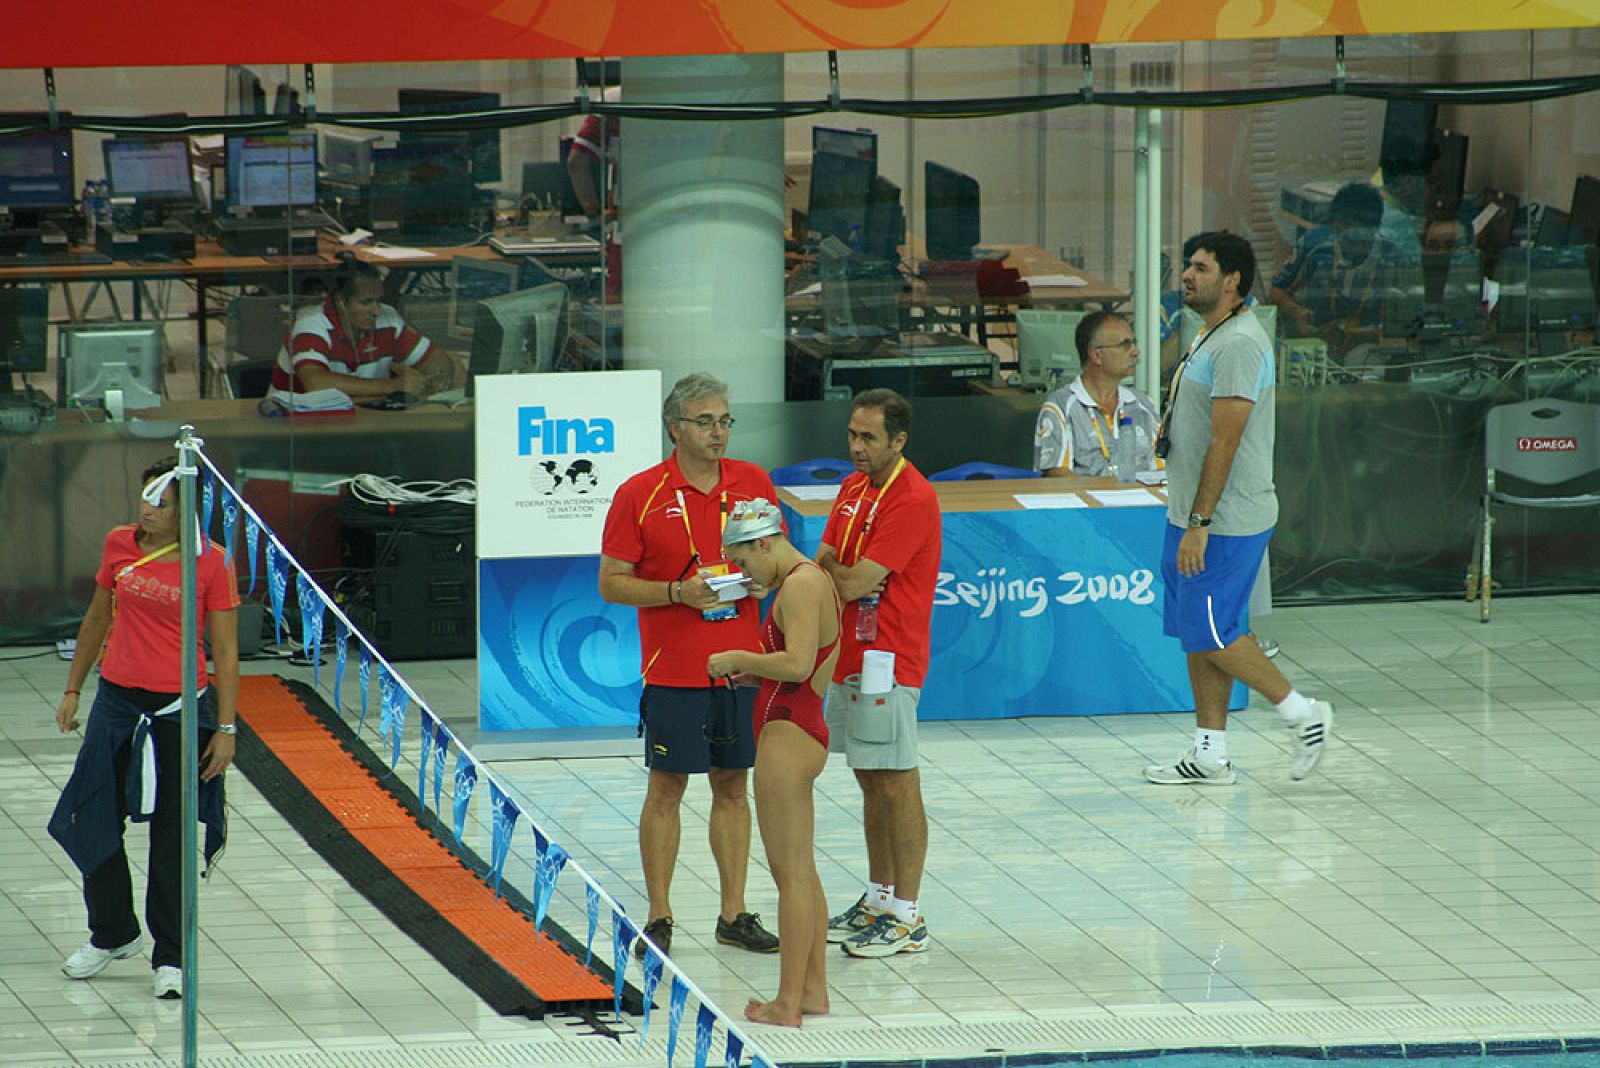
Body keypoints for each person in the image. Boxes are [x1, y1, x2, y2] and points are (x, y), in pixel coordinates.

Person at [598, 372, 780, 959]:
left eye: (725, 420)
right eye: (706, 421)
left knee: (734, 784)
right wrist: (678, 594)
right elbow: (612, 584)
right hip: (675, 668)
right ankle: (659, 914)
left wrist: (753, 581)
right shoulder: (640, 493)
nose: (718, 431)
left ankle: (733, 912)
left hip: (743, 664)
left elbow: (776, 564)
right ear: (674, 427)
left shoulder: (753, 484)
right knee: (667, 788)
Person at [1145, 232, 1332, 786]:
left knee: (1216, 632)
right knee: (1199, 631)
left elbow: (1225, 442)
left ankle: (1303, 714)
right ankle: (1209, 753)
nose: (1187, 275)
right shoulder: (1210, 334)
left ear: (1232, 280)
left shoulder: (1241, 344)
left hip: (1224, 519)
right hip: (1190, 512)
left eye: (1200, 267)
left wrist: (1200, 525)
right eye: (1187, 265)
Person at [48, 458, 239, 1000]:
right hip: (116, 703)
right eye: (144, 498)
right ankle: (112, 932)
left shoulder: (211, 564)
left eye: (160, 502)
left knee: (172, 835)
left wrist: (224, 727)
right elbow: (95, 619)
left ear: (186, 510)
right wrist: (73, 689)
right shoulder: (119, 545)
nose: (146, 510)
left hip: (180, 708)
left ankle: (171, 956)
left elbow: (225, 650)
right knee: (91, 816)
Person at [816, 388, 941, 958]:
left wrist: (848, 573)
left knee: (897, 780)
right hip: (848, 655)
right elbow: (825, 565)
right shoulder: (851, 488)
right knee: (869, 779)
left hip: (889, 661)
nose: (857, 447)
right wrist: (848, 572)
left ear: (899, 440)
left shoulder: (911, 498)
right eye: (851, 434)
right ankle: (878, 897)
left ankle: (908, 915)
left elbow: (845, 582)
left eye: (869, 437)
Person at [706, 499, 840, 1027]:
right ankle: (812, 990)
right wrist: (757, 677)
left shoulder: (803, 583)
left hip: (790, 736)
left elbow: (800, 663)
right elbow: (792, 668)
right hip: (790, 724)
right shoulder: (797, 583)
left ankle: (787, 1004)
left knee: (790, 877)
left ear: (764, 542)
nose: (743, 575)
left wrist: (738, 659)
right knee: (802, 871)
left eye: (742, 561)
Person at [265, 253, 455, 408]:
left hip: (363, 420)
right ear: (340, 301)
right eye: (366, 302)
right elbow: (316, 383)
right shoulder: (311, 324)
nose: (376, 311)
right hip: (294, 424)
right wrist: (393, 386)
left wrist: (434, 380)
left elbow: (436, 359)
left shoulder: (388, 318)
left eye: (378, 300)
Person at [1034, 310, 1160, 479]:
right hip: (1088, 503)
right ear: (1096, 355)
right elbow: (1058, 475)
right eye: (1125, 345)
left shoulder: (1142, 405)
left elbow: (1162, 468)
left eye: (1134, 343)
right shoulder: (1061, 406)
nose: (1135, 352)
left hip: (1144, 502)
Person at [1269, 181, 1397, 346]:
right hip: (1313, 340)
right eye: (1342, 227)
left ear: (1375, 228)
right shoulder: (1314, 245)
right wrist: (1298, 312)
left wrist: (1353, 337)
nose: (1351, 242)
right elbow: (1276, 291)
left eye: (1359, 234)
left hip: (1366, 348)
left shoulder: (1391, 257)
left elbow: (1400, 326)